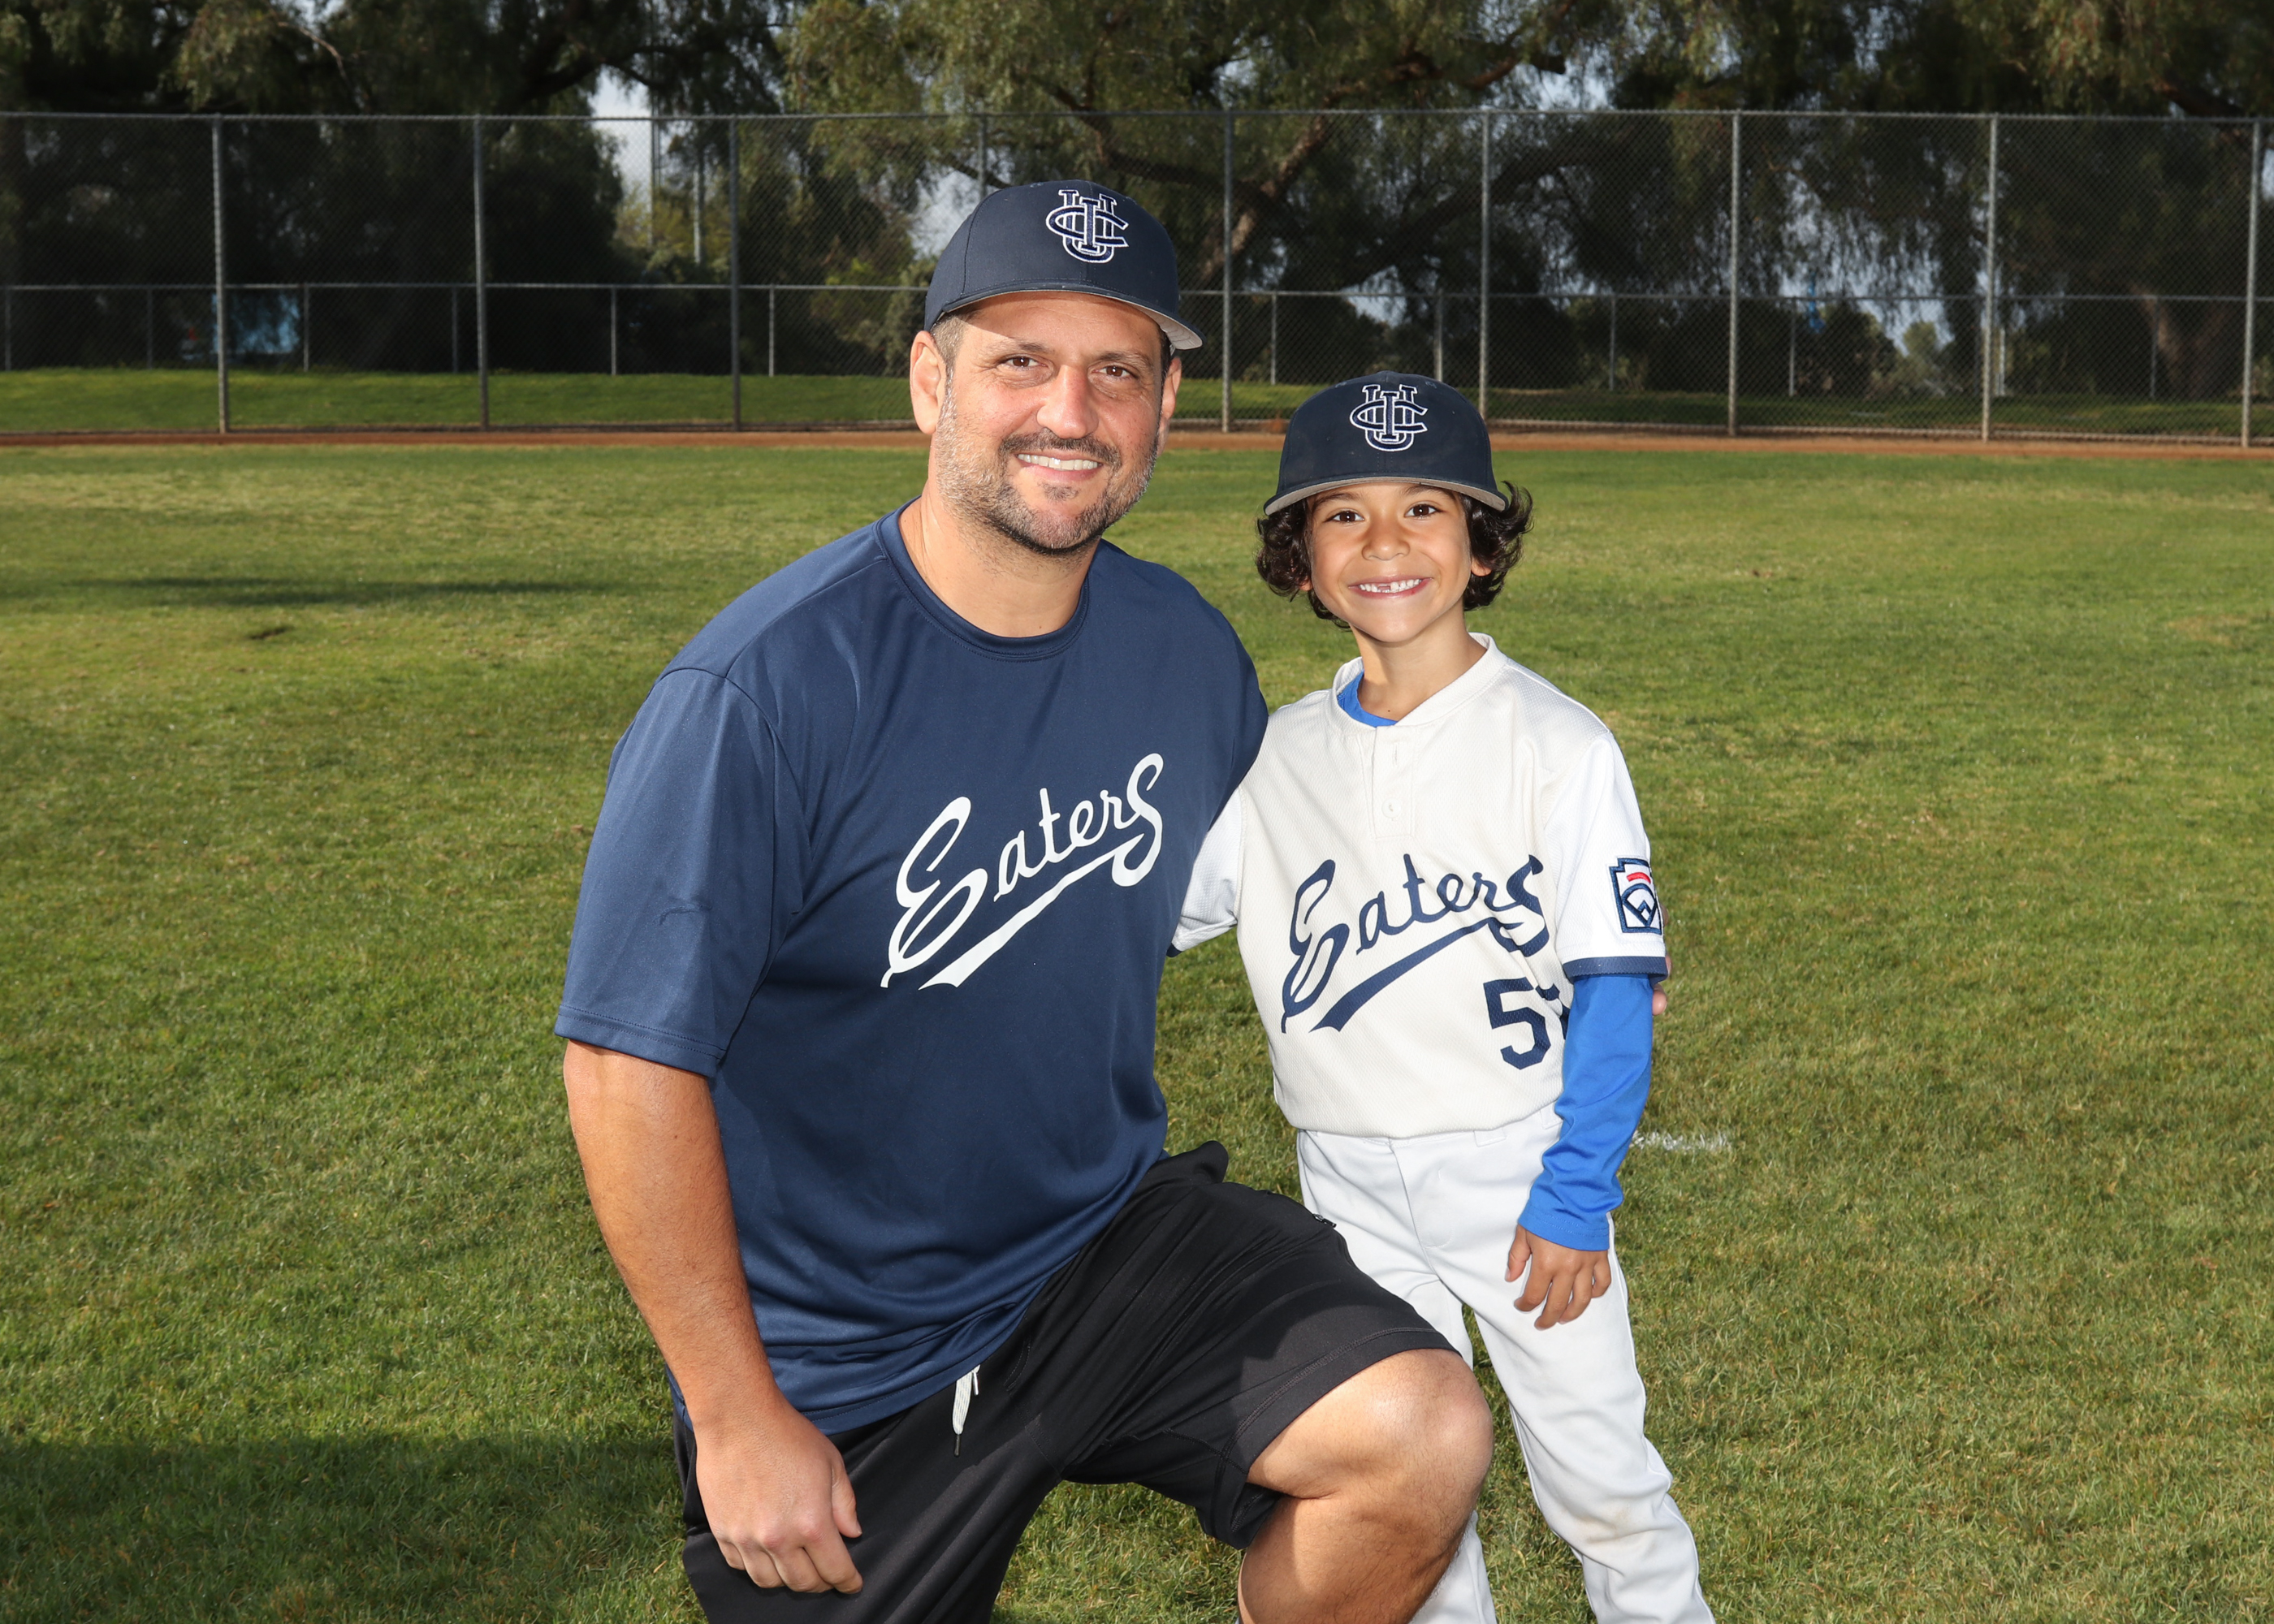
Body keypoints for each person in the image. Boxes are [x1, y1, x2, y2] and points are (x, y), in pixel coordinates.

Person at [555, 191, 1493, 1624]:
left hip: (1101, 1244)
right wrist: (737, 1418)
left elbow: (1321, 851)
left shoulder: (1181, 656)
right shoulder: (765, 691)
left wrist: (1563, 916)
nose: (1070, 411)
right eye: (1020, 362)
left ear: (1164, 408)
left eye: (1116, 370)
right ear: (931, 381)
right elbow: (625, 1066)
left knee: (1418, 1432)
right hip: (848, 1349)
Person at [1174, 374, 1714, 1624]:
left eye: (1424, 507)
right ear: (1301, 562)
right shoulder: (1273, 759)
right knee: (1414, 1485)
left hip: (1520, 1173)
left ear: (1481, 546)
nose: (1385, 543)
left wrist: (1576, 1194)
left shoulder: (1556, 743)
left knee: (1601, 1479)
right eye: (1342, 515)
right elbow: (1136, 918)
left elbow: (1617, 989)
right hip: (1346, 1182)